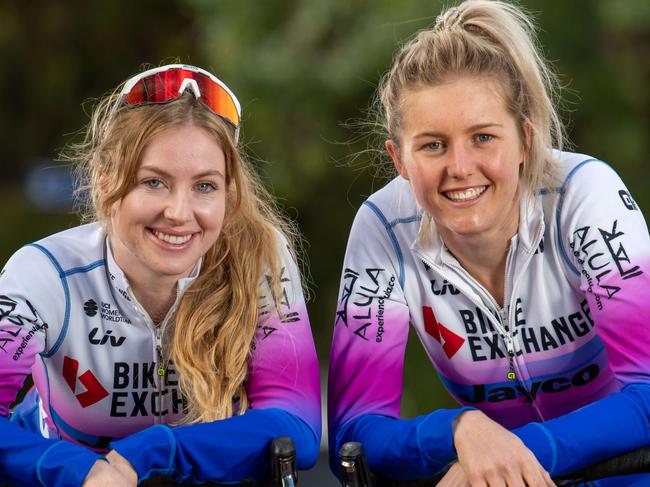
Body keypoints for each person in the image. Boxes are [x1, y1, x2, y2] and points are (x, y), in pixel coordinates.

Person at [328, 1, 650, 486]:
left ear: (524, 139)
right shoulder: (382, 227)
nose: (460, 167)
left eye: (483, 137)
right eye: (433, 145)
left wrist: (512, 454)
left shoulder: (584, 196)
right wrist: (458, 431)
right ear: (398, 158)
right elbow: (352, 438)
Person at [0, 64, 321, 486]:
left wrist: (151, 453)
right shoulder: (45, 273)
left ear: (229, 191)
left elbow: (296, 423)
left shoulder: (260, 257)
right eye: (154, 182)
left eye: (204, 186)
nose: (179, 213)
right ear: (104, 182)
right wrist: (83, 471)